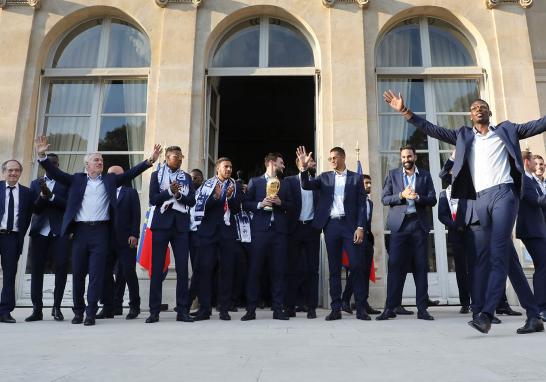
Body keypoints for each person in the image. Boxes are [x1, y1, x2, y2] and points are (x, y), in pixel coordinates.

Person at [383, 91, 543, 334]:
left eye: (483, 106)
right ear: (470, 116)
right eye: (474, 107)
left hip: (504, 195)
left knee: (497, 253)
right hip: (480, 199)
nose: (478, 109)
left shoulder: (506, 130)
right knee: (508, 259)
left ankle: (486, 314)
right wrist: (406, 112)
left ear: (489, 113)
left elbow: (537, 124)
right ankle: (533, 315)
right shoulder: (463, 136)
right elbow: (432, 129)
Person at [34, 136, 161, 326]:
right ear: (87, 165)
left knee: (96, 273)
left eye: (101, 160)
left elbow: (131, 173)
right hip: (80, 232)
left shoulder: (109, 180)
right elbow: (56, 173)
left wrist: (150, 160)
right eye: (96, 160)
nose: (100, 162)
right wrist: (42, 155)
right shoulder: (77, 179)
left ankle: (90, 312)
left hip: (101, 232)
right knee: (78, 272)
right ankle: (78, 311)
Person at [297, 146, 369, 321]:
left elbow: (361, 204)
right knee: (334, 269)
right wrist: (304, 169)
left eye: (335, 158)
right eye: (330, 159)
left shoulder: (356, 178)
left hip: (350, 226)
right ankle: (335, 308)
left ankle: (360, 308)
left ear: (343, 158)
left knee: (357, 267)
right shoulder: (324, 178)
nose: (332, 161)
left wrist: (360, 227)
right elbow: (306, 184)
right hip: (331, 226)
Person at [376, 144, 437, 321]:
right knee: (395, 266)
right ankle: (390, 308)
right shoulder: (393, 175)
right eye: (403, 157)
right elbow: (385, 198)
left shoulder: (425, 176)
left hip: (418, 225)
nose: (406, 160)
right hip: (399, 227)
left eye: (409, 157)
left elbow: (432, 199)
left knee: (420, 267)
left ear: (415, 157)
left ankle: (422, 309)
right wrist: (402, 195)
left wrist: (418, 197)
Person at [146, 146, 196, 324]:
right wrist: (168, 192)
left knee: (183, 269)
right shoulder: (157, 175)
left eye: (181, 156)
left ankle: (182, 310)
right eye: (176, 156)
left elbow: (192, 200)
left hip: (181, 226)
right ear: (167, 157)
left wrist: (178, 194)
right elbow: (152, 199)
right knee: (157, 268)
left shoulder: (187, 177)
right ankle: (154, 311)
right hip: (161, 225)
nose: (180, 159)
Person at [241, 153, 293, 321]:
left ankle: (278, 309)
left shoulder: (285, 184)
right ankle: (250, 310)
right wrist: (259, 204)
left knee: (279, 271)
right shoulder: (255, 182)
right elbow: (245, 203)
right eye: (281, 163)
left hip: (279, 233)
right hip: (259, 232)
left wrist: (280, 203)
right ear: (271, 163)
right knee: (254, 271)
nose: (283, 166)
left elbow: (293, 206)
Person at [192, 158, 243, 321]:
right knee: (205, 270)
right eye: (226, 167)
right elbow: (200, 207)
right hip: (208, 233)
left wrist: (229, 198)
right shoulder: (207, 185)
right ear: (217, 169)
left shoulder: (235, 186)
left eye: (231, 167)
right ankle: (205, 309)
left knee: (227, 271)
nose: (229, 169)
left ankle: (224, 309)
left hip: (227, 233)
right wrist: (216, 198)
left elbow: (236, 210)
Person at [25, 153, 70, 322]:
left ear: (58, 165)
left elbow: (68, 205)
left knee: (61, 268)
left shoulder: (65, 182)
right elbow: (34, 209)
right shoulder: (35, 184)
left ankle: (56, 307)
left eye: (56, 163)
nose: (53, 166)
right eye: (50, 163)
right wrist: (43, 196)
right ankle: (37, 309)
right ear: (43, 166)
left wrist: (52, 196)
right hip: (39, 233)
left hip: (60, 232)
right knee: (37, 270)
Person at [97, 166, 141, 320]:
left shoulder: (131, 192)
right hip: (107, 239)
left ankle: (134, 306)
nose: (110, 177)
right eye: (108, 174)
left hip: (126, 240)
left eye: (114, 175)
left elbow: (136, 215)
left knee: (128, 272)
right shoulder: (103, 192)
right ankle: (108, 307)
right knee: (105, 274)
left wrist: (134, 234)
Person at [284, 156, 320, 319]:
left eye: (313, 162)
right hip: (294, 228)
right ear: (300, 164)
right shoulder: (289, 181)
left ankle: (311, 307)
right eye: (310, 161)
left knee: (312, 270)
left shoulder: (318, 182)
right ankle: (290, 306)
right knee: (292, 269)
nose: (313, 163)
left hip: (311, 229)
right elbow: (284, 203)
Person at [0, 160, 35, 323]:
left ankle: (5, 311)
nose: (13, 173)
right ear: (3, 172)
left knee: (9, 274)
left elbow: (27, 217)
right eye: (10, 170)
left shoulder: (27, 193)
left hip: (12, 238)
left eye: (16, 170)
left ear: (20, 173)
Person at [342, 174, 380, 315]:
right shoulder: (352, 202)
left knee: (365, 272)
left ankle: (364, 303)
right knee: (357, 270)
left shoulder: (370, 203)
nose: (368, 185)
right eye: (365, 183)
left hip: (368, 241)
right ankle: (345, 299)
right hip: (355, 240)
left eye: (370, 183)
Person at [515, 150, 546, 322]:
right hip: (531, 230)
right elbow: (536, 201)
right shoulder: (524, 179)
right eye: (534, 161)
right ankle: (541, 307)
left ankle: (541, 306)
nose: (537, 164)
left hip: (538, 229)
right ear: (527, 162)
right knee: (543, 265)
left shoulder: (531, 179)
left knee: (543, 265)